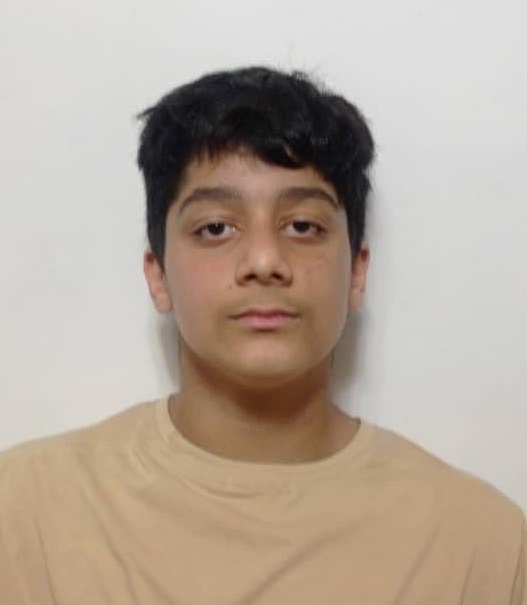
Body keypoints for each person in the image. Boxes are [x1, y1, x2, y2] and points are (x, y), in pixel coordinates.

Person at [0, 66, 525, 604]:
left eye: (303, 226)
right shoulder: (28, 514)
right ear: (158, 275)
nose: (264, 260)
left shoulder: (484, 547)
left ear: (357, 271)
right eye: (215, 228)